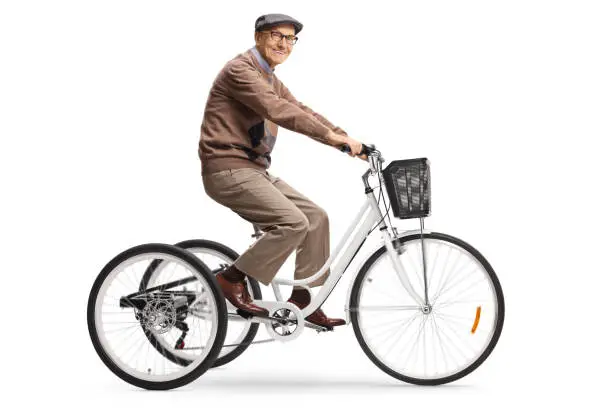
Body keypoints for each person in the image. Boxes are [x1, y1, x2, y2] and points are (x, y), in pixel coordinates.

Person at [198, 13, 366, 329]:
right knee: (292, 222)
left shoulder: (271, 80)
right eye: (277, 35)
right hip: (228, 169)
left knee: (316, 218)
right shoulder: (241, 71)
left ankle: (303, 302)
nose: (284, 44)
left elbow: (302, 110)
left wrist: (345, 140)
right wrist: (332, 138)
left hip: (254, 171)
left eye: (291, 39)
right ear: (258, 36)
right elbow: (280, 111)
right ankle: (230, 279)